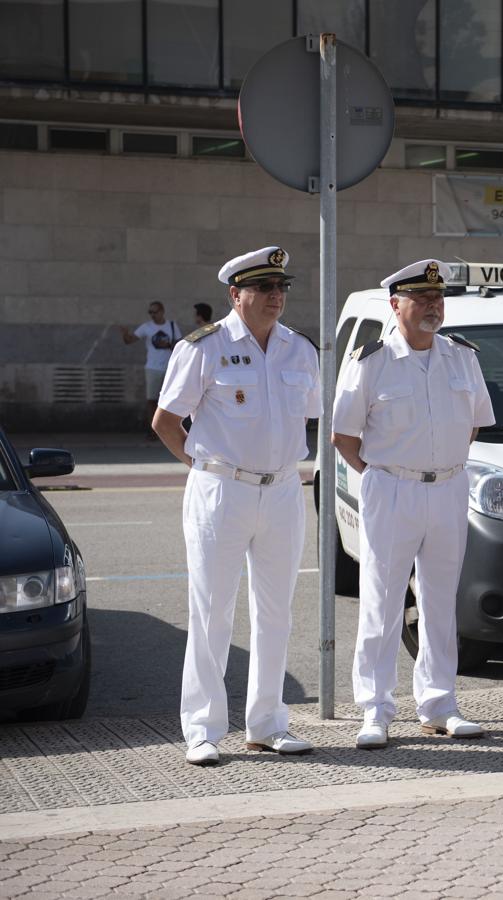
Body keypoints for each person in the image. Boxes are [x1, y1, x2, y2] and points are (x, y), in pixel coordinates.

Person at [152, 246, 321, 766]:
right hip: (221, 490)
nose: (276, 297)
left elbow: (309, 417)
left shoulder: (300, 349)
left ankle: (267, 724)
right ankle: (202, 730)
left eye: (281, 288)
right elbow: (165, 421)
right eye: (264, 289)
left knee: (276, 614)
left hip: (283, 489)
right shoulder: (204, 347)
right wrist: (205, 466)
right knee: (211, 613)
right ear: (236, 294)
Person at [332, 260, 495, 749]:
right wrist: (385, 474)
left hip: (447, 487)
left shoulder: (462, 357)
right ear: (395, 305)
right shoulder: (371, 361)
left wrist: (437, 466)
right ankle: (376, 709)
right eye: (421, 298)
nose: (432, 306)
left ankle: (440, 703)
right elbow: (343, 436)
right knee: (381, 602)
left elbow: (473, 424)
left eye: (437, 298)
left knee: (440, 602)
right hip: (392, 488)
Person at [120, 301, 182, 437]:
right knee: (152, 400)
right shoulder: (146, 327)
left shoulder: (171, 326)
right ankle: (153, 430)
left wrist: (167, 344)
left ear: (162, 311)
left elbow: (180, 346)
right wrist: (125, 334)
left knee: (171, 400)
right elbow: (129, 340)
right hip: (152, 368)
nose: (152, 315)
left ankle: (170, 429)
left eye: (155, 312)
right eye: (150, 312)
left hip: (169, 368)